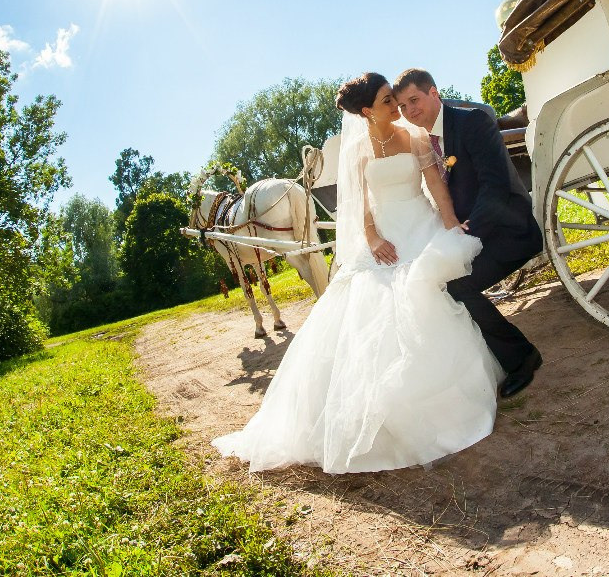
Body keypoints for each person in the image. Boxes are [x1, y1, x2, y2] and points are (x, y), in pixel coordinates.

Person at [213, 72, 503, 474]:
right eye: (388, 100)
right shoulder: (357, 152)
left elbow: (436, 186)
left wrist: (452, 225)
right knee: (368, 306)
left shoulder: (413, 138)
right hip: (385, 237)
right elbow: (359, 207)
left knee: (426, 290)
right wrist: (371, 239)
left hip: (419, 224)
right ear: (367, 111)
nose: (397, 106)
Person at [394, 68, 544, 398]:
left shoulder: (471, 122)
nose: (409, 110)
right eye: (402, 106)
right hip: (475, 232)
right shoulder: (427, 141)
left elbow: (495, 187)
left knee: (455, 285)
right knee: (436, 282)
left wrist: (466, 236)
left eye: (414, 100)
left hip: (508, 230)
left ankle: (522, 358)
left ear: (434, 93)